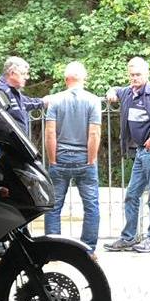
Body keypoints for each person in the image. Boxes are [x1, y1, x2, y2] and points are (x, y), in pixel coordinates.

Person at [104, 57, 150, 253]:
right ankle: (128, 238)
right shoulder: (128, 92)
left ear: (147, 74)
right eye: (131, 75)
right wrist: (111, 91)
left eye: (138, 74)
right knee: (132, 195)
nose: (134, 78)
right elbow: (115, 90)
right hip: (140, 152)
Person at [43, 61, 103, 252]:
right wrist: (91, 160)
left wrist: (52, 160)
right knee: (91, 206)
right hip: (84, 160)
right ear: (84, 78)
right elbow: (94, 133)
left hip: (60, 159)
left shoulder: (56, 100)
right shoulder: (93, 100)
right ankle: (87, 249)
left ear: (65, 79)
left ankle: (54, 248)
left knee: (54, 207)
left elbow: (50, 133)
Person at [0, 56, 44, 167]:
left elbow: (27, 103)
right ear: (12, 73)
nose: (27, 77)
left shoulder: (13, 92)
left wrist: (44, 102)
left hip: (12, 148)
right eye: (23, 73)